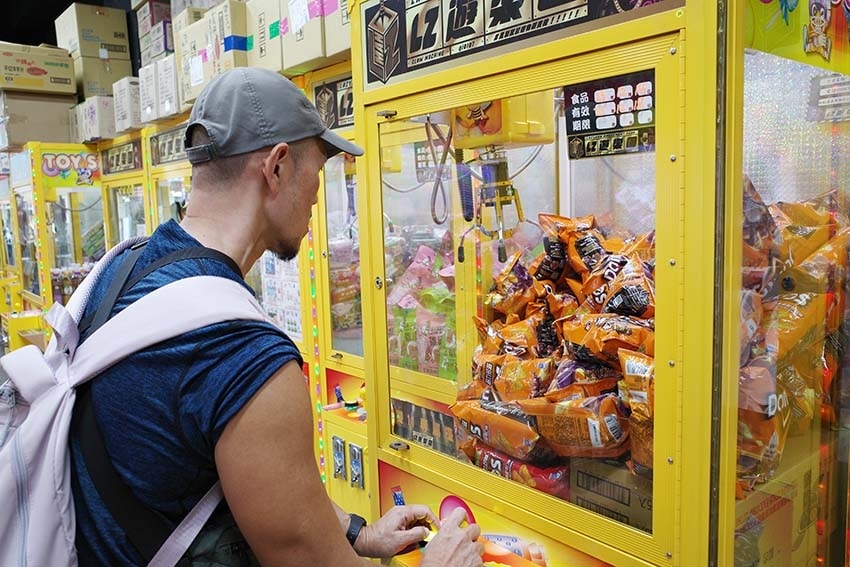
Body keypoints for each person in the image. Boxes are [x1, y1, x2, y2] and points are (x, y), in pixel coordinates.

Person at [69, 67, 485, 567]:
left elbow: (222, 480)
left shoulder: (125, 270)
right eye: (319, 169)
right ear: (277, 167)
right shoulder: (238, 352)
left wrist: (356, 533)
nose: (317, 194)